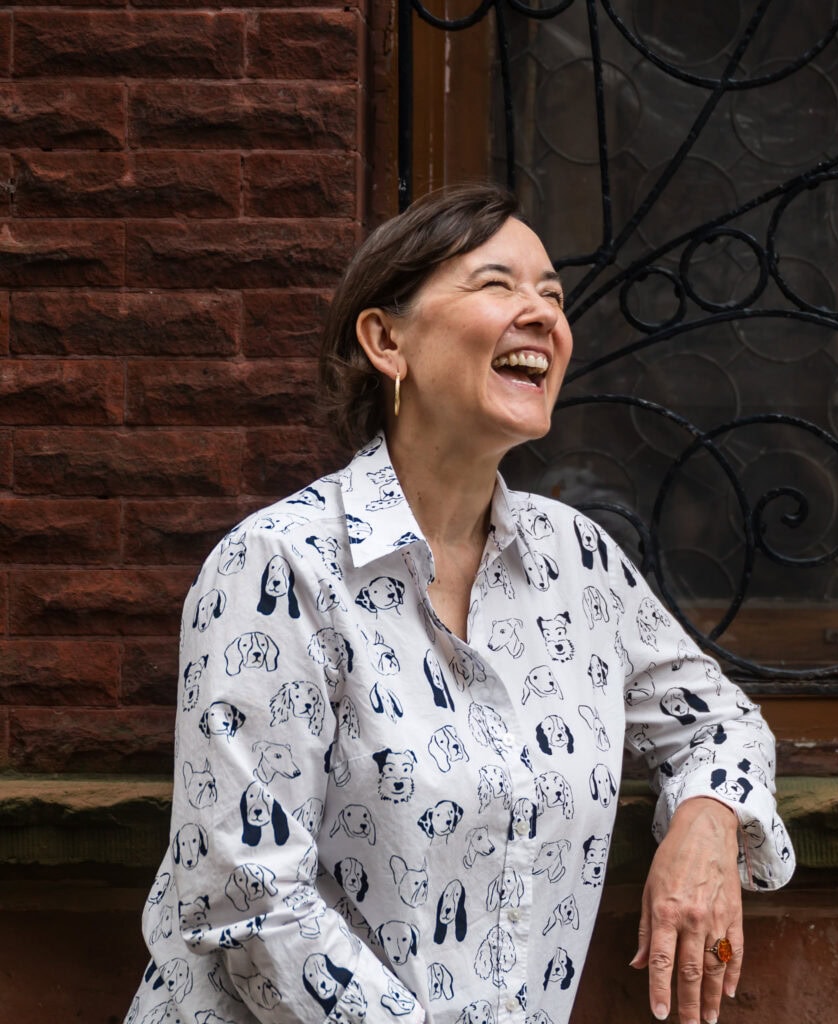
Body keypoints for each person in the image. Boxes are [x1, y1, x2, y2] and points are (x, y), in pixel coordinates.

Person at [126, 183, 793, 1024]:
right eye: (497, 285)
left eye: (553, 294)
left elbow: (719, 721)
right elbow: (245, 901)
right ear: (385, 339)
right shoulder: (278, 568)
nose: (543, 314)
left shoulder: (577, 561)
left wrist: (706, 822)